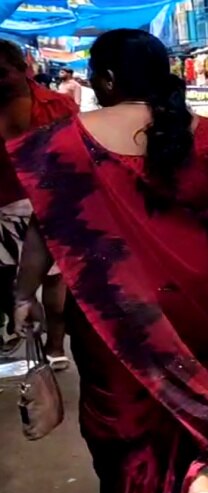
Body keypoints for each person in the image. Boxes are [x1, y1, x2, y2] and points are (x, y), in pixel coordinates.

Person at [9, 29, 208, 493]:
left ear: (105, 79)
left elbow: (42, 230)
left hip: (109, 301)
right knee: (192, 388)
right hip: (192, 290)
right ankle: (197, 486)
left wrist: (25, 294)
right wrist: (201, 253)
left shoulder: (64, 138)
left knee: (119, 409)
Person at [0, 40, 74, 365]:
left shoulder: (59, 106)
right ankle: (20, 330)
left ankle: (55, 347)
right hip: (2, 204)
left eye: (1, 73)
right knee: (6, 283)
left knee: (55, 283)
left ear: (22, 69)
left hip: (47, 203)